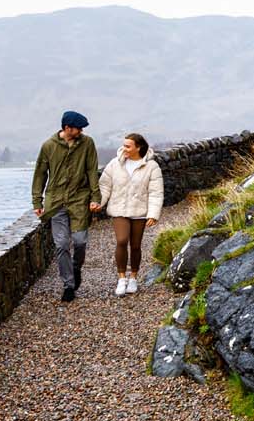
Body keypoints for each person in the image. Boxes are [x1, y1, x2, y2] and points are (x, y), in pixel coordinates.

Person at [31, 110, 102, 302]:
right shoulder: (48, 146)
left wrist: (96, 197)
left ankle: (76, 268)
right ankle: (68, 285)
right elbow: (40, 174)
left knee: (80, 241)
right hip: (55, 202)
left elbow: (91, 170)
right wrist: (37, 201)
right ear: (67, 128)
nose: (81, 131)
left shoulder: (87, 143)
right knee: (61, 244)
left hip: (80, 199)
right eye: (78, 128)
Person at [97, 132, 164, 297]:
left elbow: (156, 192)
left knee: (135, 246)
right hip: (119, 210)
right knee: (121, 241)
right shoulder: (115, 164)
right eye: (124, 145)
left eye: (128, 146)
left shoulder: (152, 167)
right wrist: (100, 203)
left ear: (138, 148)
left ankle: (133, 277)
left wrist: (153, 214)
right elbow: (105, 186)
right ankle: (121, 279)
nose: (124, 148)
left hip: (139, 212)